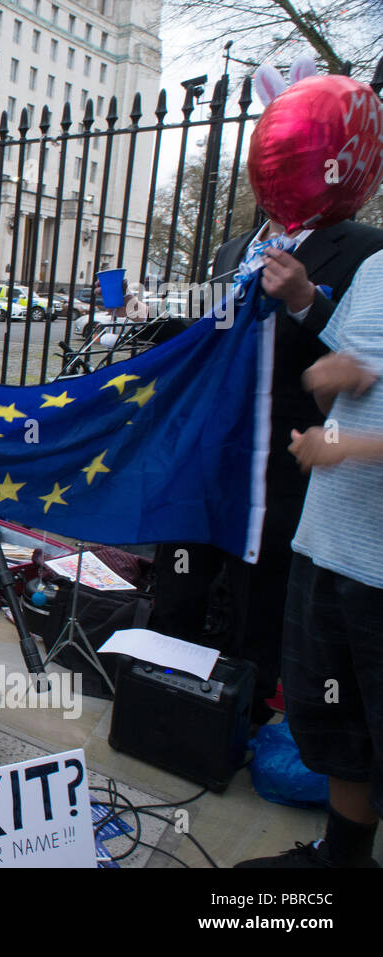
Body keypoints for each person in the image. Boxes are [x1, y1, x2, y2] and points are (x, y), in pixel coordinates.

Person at [150, 215, 383, 726]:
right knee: (181, 580)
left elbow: (353, 363)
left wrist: (303, 299)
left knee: (257, 598)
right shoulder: (234, 247)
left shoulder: (365, 248)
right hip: (207, 450)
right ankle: (162, 702)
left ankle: (240, 718)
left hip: (284, 458)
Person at [237, 248, 383, 868]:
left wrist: (356, 445)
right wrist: (336, 382)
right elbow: (350, 389)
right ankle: (342, 861)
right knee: (341, 731)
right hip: (328, 545)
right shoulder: (376, 269)